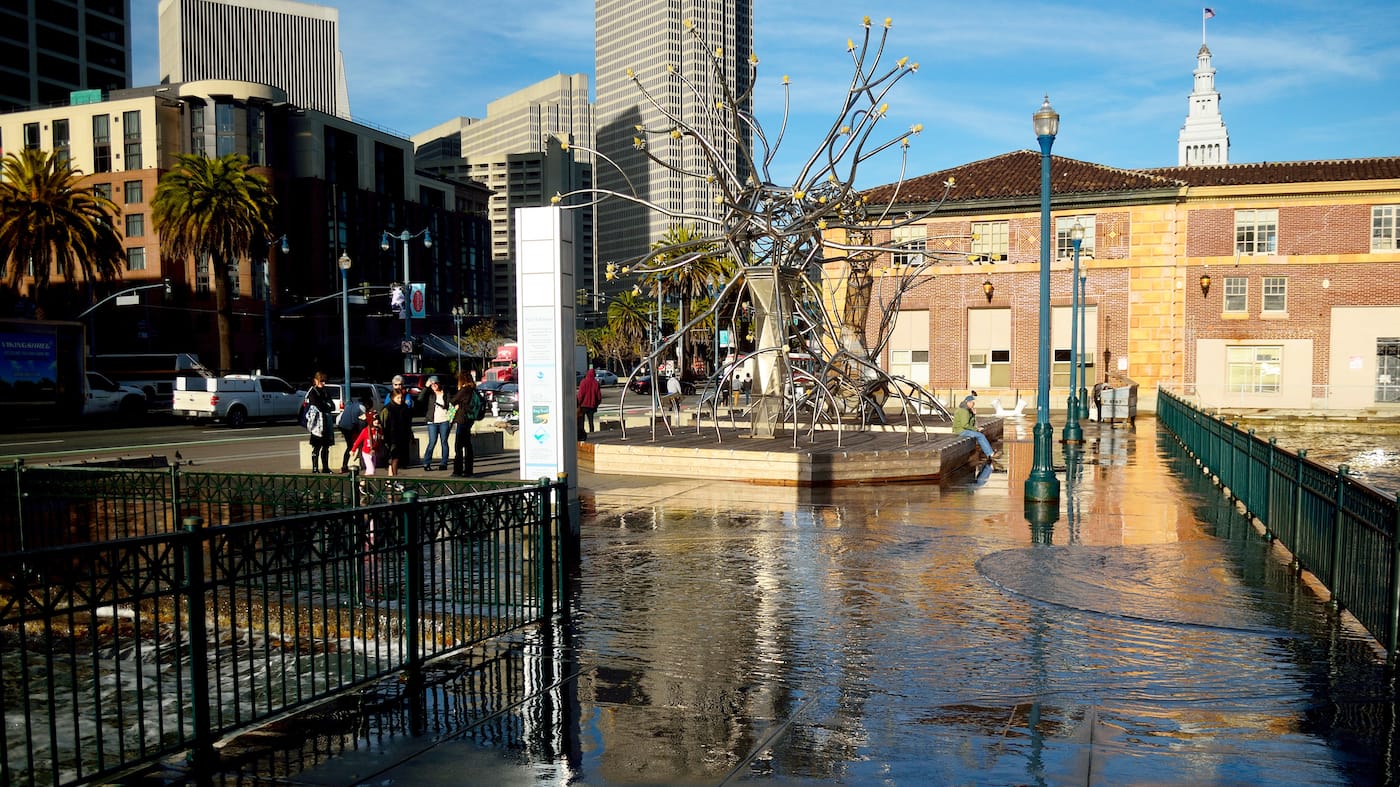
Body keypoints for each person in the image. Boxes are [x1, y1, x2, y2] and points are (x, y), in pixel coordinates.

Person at [449, 371, 484, 476]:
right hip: (470, 419)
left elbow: (452, 401)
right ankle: (469, 470)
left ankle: (457, 470)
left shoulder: (464, 390)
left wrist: (459, 394)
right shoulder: (473, 390)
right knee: (468, 445)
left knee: (458, 446)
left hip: (462, 419)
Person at [304, 371, 336, 473]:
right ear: (315, 380)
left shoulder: (325, 391)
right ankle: (315, 468)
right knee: (316, 446)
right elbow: (317, 406)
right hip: (317, 424)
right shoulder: (312, 392)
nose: (324, 383)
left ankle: (325, 467)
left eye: (325, 381)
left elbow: (332, 406)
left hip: (326, 421)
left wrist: (326, 405)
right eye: (322, 381)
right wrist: (326, 405)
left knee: (326, 447)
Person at [379, 387, 413, 478]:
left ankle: (391, 479)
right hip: (391, 437)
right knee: (394, 458)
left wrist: (410, 435)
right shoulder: (387, 409)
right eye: (398, 398)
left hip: (402, 436)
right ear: (392, 398)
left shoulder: (405, 408)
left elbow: (408, 423)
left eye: (401, 398)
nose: (400, 400)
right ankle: (394, 478)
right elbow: (383, 424)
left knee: (396, 459)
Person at [952, 393, 997, 460]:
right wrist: (976, 429)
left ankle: (986, 451)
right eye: (972, 402)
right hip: (960, 430)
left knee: (979, 434)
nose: (973, 404)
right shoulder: (964, 411)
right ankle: (990, 453)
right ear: (968, 402)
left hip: (962, 429)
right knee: (980, 435)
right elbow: (965, 425)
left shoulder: (966, 410)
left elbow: (971, 423)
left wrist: (973, 415)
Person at [420, 376, 451, 471]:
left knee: (444, 442)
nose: (434, 386)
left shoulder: (445, 393)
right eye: (432, 384)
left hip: (444, 420)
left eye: (436, 383)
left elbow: (449, 404)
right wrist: (426, 387)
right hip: (432, 421)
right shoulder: (430, 394)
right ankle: (426, 463)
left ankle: (443, 463)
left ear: (439, 383)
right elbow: (420, 398)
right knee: (432, 442)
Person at [336, 393, 367, 473]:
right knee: (354, 446)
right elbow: (362, 421)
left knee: (349, 446)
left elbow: (339, 417)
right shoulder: (362, 407)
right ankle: (362, 465)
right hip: (351, 427)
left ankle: (344, 465)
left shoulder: (350, 405)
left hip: (342, 426)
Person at [349, 410, 383, 475]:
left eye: (377, 420)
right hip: (366, 453)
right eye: (374, 420)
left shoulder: (378, 430)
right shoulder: (365, 431)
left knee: (369, 471)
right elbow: (358, 441)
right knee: (371, 471)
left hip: (373, 453)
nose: (377, 421)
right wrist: (353, 450)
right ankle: (365, 483)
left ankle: (362, 484)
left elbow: (379, 441)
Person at [576, 368, 603, 437]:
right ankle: (592, 433)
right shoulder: (596, 383)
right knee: (591, 421)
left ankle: (581, 434)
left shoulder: (583, 382)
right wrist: (597, 404)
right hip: (592, 406)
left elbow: (580, 394)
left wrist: (578, 403)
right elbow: (598, 396)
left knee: (581, 421)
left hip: (583, 406)